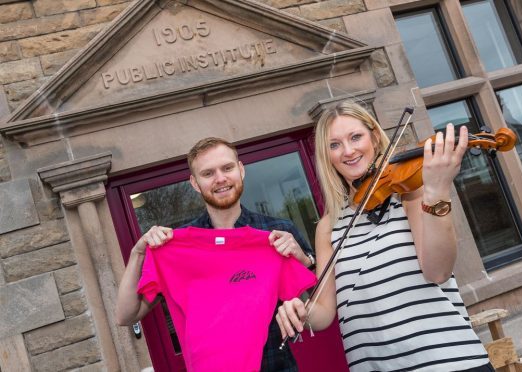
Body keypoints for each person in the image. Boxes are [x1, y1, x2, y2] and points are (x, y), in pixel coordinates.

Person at [276, 101, 493, 371]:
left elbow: (438, 271)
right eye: (334, 145)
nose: (348, 151)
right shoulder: (328, 226)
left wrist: (437, 190)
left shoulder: (409, 193)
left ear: (375, 137)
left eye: (356, 137)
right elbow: (323, 312)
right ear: (326, 156)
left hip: (445, 362)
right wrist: (300, 310)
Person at [116, 137, 316, 372]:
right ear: (194, 183)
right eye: (208, 173)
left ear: (241, 170)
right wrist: (138, 253)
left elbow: (320, 302)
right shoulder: (179, 248)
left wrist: (305, 259)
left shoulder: (277, 235)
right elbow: (126, 316)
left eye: (227, 168)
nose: (220, 179)